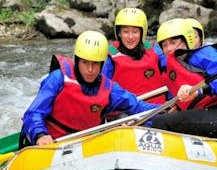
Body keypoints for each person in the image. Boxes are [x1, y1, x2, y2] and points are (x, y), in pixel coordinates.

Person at [20, 30, 159, 146]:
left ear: (101, 64)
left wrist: (166, 113)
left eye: (95, 64)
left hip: (83, 144)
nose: (90, 70)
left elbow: (137, 106)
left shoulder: (109, 89)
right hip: (51, 142)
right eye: (85, 63)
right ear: (77, 60)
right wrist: (40, 135)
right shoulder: (58, 79)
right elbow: (33, 113)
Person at [151, 18, 217, 140]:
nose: (168, 48)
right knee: (162, 118)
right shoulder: (174, 66)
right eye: (164, 45)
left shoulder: (203, 54)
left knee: (161, 123)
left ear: (186, 40)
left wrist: (200, 90)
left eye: (173, 42)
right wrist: (179, 107)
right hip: (209, 113)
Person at [102, 8, 167, 104]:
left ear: (142, 33)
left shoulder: (155, 50)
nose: (130, 37)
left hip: (156, 108)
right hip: (126, 111)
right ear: (119, 33)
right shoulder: (111, 56)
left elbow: (171, 71)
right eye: (126, 32)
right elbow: (102, 86)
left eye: (135, 32)